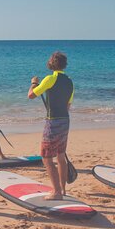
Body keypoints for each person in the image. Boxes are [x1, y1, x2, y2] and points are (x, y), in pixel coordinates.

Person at [28, 51, 74, 200]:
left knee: (46, 157)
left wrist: (34, 83)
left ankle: (56, 192)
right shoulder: (69, 81)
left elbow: (31, 95)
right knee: (60, 156)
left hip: (53, 121)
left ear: (52, 63)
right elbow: (67, 105)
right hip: (65, 120)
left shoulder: (50, 79)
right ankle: (62, 189)